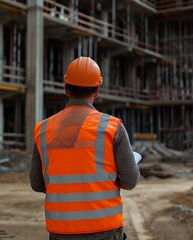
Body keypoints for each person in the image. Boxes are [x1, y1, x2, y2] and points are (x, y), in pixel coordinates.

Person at [29, 56, 140, 240]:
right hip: (105, 231)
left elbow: (37, 183)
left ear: (66, 89)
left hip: (60, 232)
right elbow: (130, 180)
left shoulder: (43, 130)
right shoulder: (111, 127)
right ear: (97, 90)